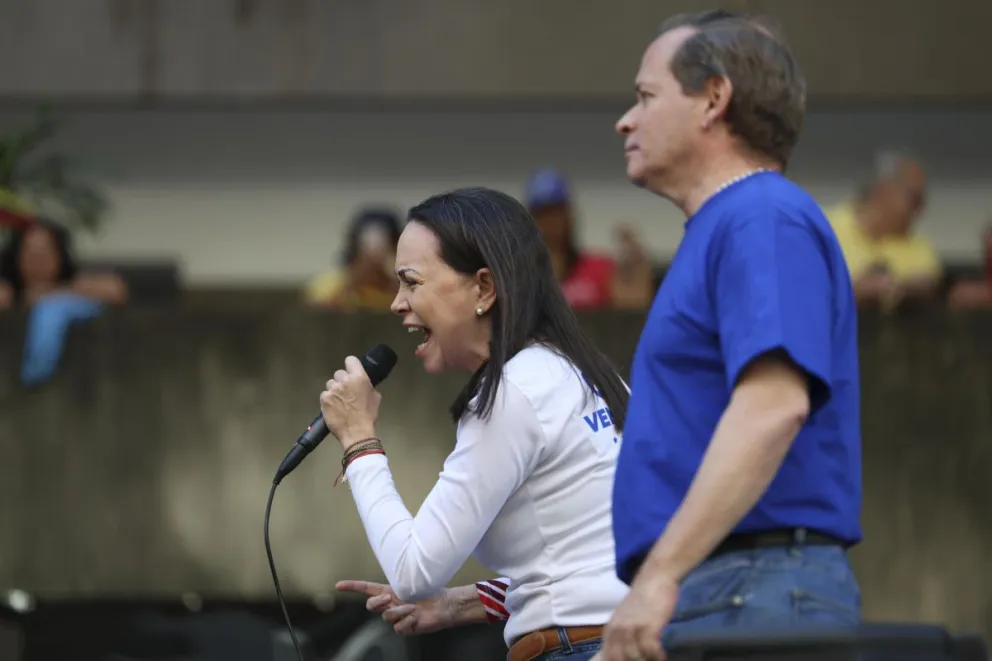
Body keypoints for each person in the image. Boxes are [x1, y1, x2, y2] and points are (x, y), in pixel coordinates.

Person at [598, 10, 862, 661]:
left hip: (749, 586)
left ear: (714, 98)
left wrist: (658, 576)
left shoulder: (760, 216)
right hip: (726, 585)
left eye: (646, 96)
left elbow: (773, 406)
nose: (626, 120)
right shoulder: (735, 224)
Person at [319, 186, 630, 661]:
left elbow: (413, 571)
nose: (397, 303)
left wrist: (358, 438)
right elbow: (578, 567)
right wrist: (459, 604)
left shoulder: (513, 392)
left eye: (411, 282)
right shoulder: (581, 372)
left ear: (484, 288)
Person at [524, 167, 655, 311]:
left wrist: (637, 265)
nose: (551, 223)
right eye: (543, 215)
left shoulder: (599, 269)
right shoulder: (519, 276)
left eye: (557, 213)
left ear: (569, 217)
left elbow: (631, 308)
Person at [825, 151, 941, 309]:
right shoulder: (824, 229)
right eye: (915, 198)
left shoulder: (919, 246)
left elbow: (927, 283)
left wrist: (900, 289)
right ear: (883, 190)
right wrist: (852, 291)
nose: (921, 209)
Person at [0, 218, 127, 310]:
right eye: (32, 256)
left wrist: (55, 294)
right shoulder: (8, 291)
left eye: (44, 254)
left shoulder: (74, 285)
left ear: (59, 256)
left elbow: (116, 289)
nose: (38, 263)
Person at [303, 207, 402, 310]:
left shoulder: (405, 284)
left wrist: (394, 283)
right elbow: (315, 311)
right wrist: (351, 284)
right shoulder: (328, 284)